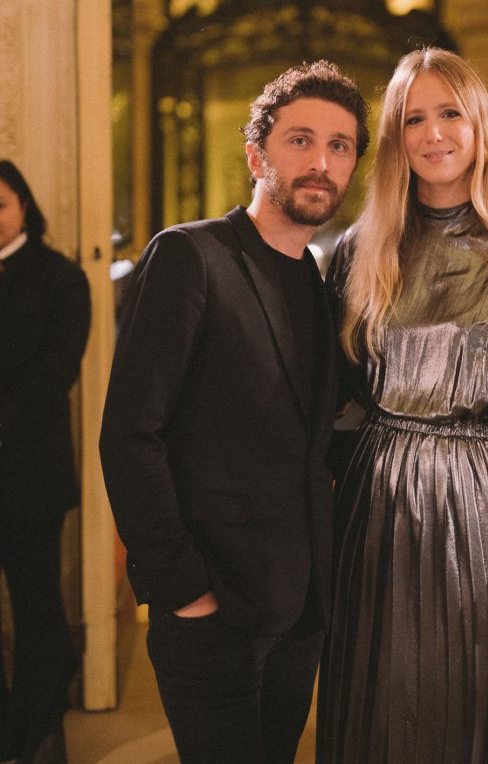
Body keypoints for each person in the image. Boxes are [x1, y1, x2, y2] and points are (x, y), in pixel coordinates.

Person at [99, 61, 370, 764]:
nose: (321, 162)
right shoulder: (190, 256)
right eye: (300, 140)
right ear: (256, 156)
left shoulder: (319, 282)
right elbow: (130, 434)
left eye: (339, 146)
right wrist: (182, 587)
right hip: (212, 602)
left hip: (301, 604)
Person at [317, 48, 488, 764]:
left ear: (479, 125)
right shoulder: (360, 250)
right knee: (376, 699)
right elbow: (327, 396)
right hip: (374, 504)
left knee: (478, 698)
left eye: (449, 113)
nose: (432, 133)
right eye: (413, 119)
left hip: (480, 506)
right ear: (394, 139)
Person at [0, 161, 91, 764]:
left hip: (29, 470)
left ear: (24, 207)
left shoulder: (62, 277)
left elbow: (55, 372)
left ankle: (39, 725)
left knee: (36, 604)